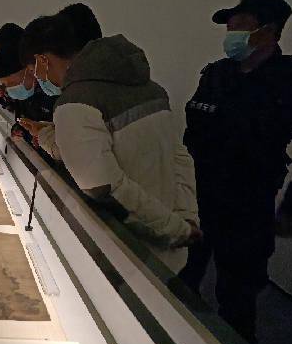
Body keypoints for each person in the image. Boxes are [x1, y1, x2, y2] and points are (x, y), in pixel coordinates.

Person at [180, 0, 292, 344]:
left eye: (240, 26)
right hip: (198, 197)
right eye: (229, 27)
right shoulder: (217, 74)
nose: (231, 35)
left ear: (268, 31)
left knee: (237, 300)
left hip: (247, 206)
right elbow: (192, 133)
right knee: (180, 278)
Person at [19, 14, 201, 271]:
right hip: (173, 251)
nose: (37, 78)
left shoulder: (74, 103)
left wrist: (176, 230)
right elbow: (178, 157)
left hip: (131, 256)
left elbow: (104, 188)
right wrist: (186, 220)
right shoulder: (151, 88)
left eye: (33, 70)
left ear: (42, 60)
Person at [0, 42, 55, 143]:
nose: (9, 88)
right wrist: (19, 129)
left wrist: (44, 136)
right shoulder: (25, 93)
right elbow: (17, 111)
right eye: (5, 84)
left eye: (11, 83)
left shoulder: (51, 91)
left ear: (30, 69)